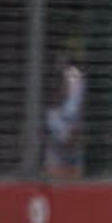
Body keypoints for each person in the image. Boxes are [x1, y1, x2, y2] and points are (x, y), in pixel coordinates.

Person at [43, 47, 86, 177]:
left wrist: (72, 128)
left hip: (69, 126)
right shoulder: (57, 79)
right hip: (59, 128)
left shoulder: (74, 76)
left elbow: (75, 102)